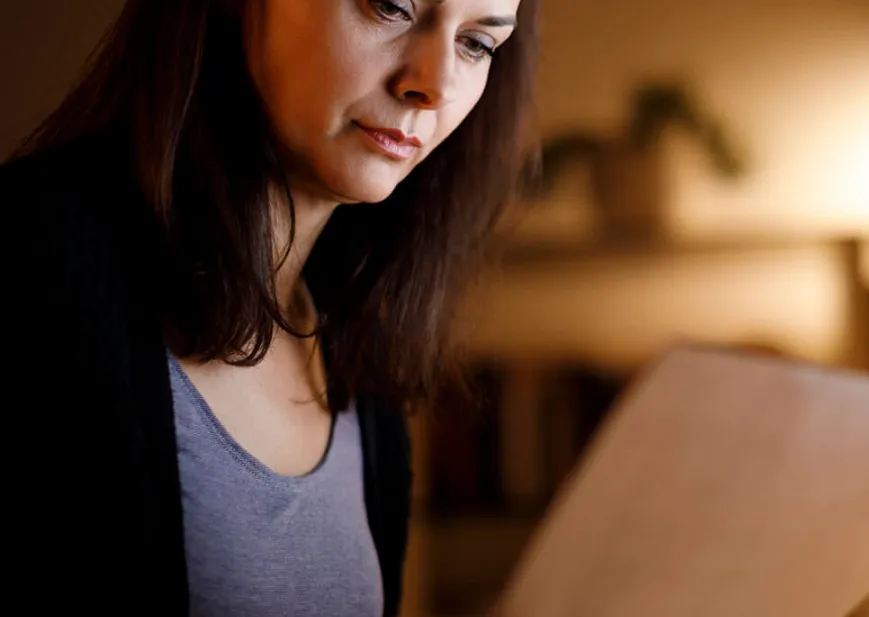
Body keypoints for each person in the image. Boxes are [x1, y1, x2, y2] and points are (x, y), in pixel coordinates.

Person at [3, 0, 537, 614]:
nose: (434, 85)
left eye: (476, 44)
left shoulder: (358, 347)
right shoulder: (33, 259)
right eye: (390, 6)